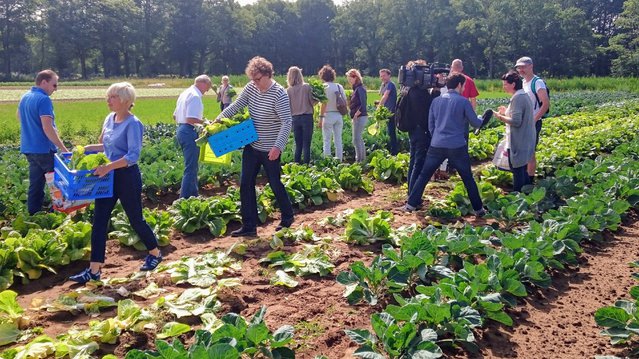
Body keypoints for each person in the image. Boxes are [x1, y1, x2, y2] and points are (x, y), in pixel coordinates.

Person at [69, 82, 161, 284]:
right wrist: (84, 149)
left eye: (113, 97)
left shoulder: (133, 123)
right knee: (99, 221)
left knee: (135, 219)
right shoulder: (109, 119)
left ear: (126, 101)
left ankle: (155, 253)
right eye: (108, 96)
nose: (108, 100)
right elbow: (106, 145)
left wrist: (108, 167)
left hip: (126, 176)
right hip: (107, 177)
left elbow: (133, 155)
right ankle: (94, 270)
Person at [216, 56, 294, 237]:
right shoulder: (251, 88)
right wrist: (218, 119)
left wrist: (278, 146)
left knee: (275, 183)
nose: (255, 83)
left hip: (271, 148)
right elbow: (236, 106)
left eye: (258, 79)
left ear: (268, 74)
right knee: (245, 183)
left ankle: (288, 217)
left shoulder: (279, 93)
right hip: (252, 144)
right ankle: (249, 226)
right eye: (253, 79)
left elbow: (286, 121)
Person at [403, 73, 485, 216]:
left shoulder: (437, 101)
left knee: (424, 175)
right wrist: (481, 118)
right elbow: (475, 123)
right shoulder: (463, 101)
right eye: (463, 85)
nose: (464, 87)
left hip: (437, 145)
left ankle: (410, 204)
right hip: (457, 146)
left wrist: (437, 136)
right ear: (459, 85)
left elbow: (431, 124)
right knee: (467, 178)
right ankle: (478, 209)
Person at [18, 69, 69, 215]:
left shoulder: (25, 97)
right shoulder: (44, 99)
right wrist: (63, 148)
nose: (56, 89)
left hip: (29, 148)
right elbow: (48, 128)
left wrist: (31, 129)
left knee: (36, 184)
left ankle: (33, 215)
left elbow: (19, 117)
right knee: (57, 184)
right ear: (44, 82)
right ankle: (59, 213)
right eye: (54, 85)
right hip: (44, 149)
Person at [400, 60, 438, 198]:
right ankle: (414, 196)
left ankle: (411, 192)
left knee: (413, 161)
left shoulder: (408, 90)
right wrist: (435, 93)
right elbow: (428, 109)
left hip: (412, 129)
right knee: (418, 163)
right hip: (421, 130)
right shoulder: (420, 93)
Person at [494, 71, 536, 192]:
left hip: (519, 139)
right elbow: (519, 115)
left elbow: (516, 121)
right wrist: (506, 111)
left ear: (513, 84)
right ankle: (528, 193)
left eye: (505, 84)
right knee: (522, 169)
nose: (503, 87)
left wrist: (500, 117)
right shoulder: (523, 95)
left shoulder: (518, 98)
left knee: (517, 169)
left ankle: (518, 195)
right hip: (526, 138)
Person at [174, 75, 212, 199]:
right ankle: (185, 198)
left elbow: (174, 116)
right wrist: (206, 123)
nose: (206, 91)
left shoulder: (184, 93)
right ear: (203, 84)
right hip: (189, 131)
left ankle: (193, 194)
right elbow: (191, 119)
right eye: (207, 88)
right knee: (191, 167)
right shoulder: (195, 96)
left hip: (181, 129)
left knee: (191, 165)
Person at [515, 56, 549, 182]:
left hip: (532, 123)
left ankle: (529, 181)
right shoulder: (523, 82)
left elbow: (545, 104)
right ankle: (524, 177)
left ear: (531, 66)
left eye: (523, 67)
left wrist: (534, 119)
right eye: (519, 67)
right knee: (523, 152)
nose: (521, 70)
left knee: (529, 153)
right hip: (522, 123)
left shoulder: (537, 82)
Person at [286, 66, 317, 164]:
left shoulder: (288, 90)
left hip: (295, 119)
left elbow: (288, 107)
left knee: (298, 145)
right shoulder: (306, 87)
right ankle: (306, 166)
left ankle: (296, 165)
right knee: (306, 145)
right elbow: (312, 102)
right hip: (307, 117)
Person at [318, 65, 344, 161]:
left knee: (327, 141)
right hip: (338, 115)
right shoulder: (339, 86)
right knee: (338, 140)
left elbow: (323, 104)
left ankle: (328, 161)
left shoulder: (324, 87)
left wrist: (320, 119)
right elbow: (345, 101)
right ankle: (339, 160)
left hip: (328, 115)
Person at [346, 69, 367, 163]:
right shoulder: (356, 89)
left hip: (360, 117)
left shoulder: (360, 89)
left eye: (350, 78)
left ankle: (359, 160)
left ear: (355, 77)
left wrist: (356, 114)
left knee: (356, 139)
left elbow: (363, 104)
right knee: (358, 138)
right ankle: (362, 159)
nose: (349, 81)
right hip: (358, 116)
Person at [377, 68, 398, 155]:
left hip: (391, 112)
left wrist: (379, 106)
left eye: (384, 75)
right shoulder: (384, 85)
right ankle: (392, 150)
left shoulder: (390, 85)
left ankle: (394, 152)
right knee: (389, 132)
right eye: (381, 76)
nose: (382, 78)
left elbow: (385, 96)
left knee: (391, 132)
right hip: (387, 112)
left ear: (389, 76)